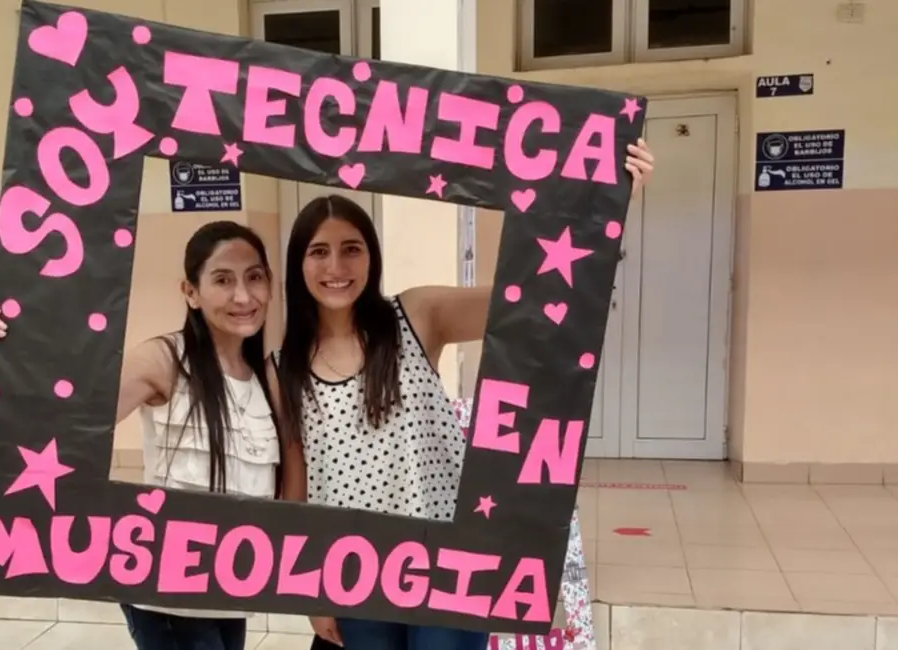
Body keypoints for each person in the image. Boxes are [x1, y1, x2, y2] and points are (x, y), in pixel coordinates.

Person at [275, 141, 655, 650]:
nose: (336, 265)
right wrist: (309, 593)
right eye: (319, 251)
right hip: (354, 572)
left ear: (371, 256)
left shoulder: (415, 316)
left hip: (448, 562)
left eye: (352, 248)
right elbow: (295, 491)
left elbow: (532, 296)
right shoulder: (284, 368)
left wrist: (608, 205)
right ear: (298, 263)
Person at [0, 220, 305, 650]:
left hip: (229, 590)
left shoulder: (265, 377)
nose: (243, 296)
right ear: (191, 292)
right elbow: (65, 421)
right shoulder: (164, 360)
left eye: (254, 277)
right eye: (222, 280)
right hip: (167, 597)